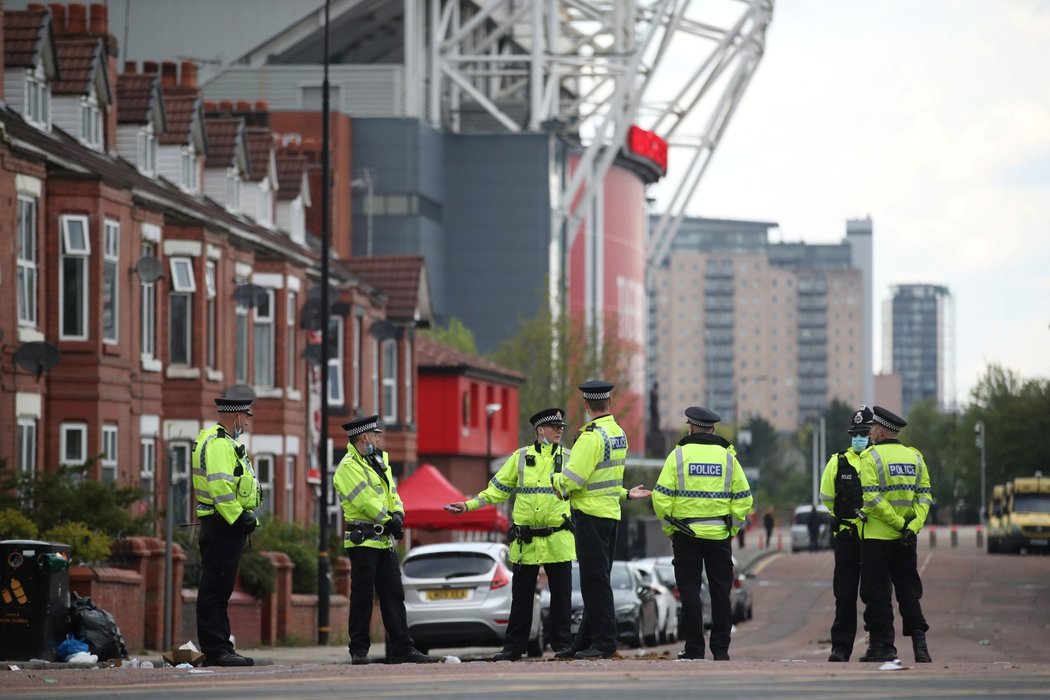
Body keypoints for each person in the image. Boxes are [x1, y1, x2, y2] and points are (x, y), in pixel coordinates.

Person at [444, 408, 576, 661]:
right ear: (540, 430)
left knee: (561, 596)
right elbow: (496, 491)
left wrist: (623, 494)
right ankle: (514, 648)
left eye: (561, 427)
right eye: (554, 427)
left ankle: (562, 646)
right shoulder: (520, 458)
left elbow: (589, 487)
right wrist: (468, 505)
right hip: (526, 540)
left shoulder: (569, 458)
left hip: (557, 538)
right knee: (521, 597)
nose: (560, 431)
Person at [550, 380, 651, 660]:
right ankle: (583, 642)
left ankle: (604, 642)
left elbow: (575, 478)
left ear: (586, 405)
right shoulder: (618, 433)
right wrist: (626, 495)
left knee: (594, 583)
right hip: (610, 513)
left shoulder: (591, 437)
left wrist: (555, 480)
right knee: (598, 580)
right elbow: (605, 479)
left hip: (590, 516)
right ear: (608, 403)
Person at [652, 406, 753, 661]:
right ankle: (721, 650)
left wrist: (670, 529)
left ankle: (694, 648)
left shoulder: (678, 456)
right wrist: (731, 528)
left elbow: (660, 497)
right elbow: (744, 499)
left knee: (689, 591)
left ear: (691, 428)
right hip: (719, 535)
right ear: (713, 429)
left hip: (686, 535)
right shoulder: (728, 458)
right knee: (721, 593)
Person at [333, 415, 435, 665]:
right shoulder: (348, 466)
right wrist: (389, 520)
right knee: (362, 597)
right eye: (375, 436)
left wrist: (399, 513)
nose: (379, 440)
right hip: (363, 540)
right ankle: (359, 649)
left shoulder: (378, 461)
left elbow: (392, 492)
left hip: (383, 540)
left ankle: (402, 648)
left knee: (393, 594)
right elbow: (364, 500)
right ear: (364, 437)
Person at [857, 406, 934, 664]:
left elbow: (871, 497)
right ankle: (920, 647)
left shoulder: (871, 457)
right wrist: (912, 527)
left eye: (871, 429)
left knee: (876, 594)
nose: (869, 433)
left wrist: (897, 523)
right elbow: (925, 496)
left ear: (880, 431)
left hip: (879, 537)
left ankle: (884, 648)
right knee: (909, 591)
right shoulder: (915, 457)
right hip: (906, 540)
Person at [191, 393, 262, 667]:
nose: (247, 422)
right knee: (215, 588)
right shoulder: (220, 444)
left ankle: (221, 645)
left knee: (220, 588)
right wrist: (240, 517)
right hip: (223, 524)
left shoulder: (223, 441)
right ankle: (216, 649)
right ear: (236, 417)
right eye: (245, 417)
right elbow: (220, 487)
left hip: (222, 524)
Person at [820, 405, 877, 662]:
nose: (858, 438)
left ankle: (878, 644)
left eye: (863, 433)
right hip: (846, 535)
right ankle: (840, 648)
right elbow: (827, 497)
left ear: (871, 434)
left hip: (874, 536)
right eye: (854, 434)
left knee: (875, 593)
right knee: (844, 594)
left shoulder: (878, 460)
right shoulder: (837, 461)